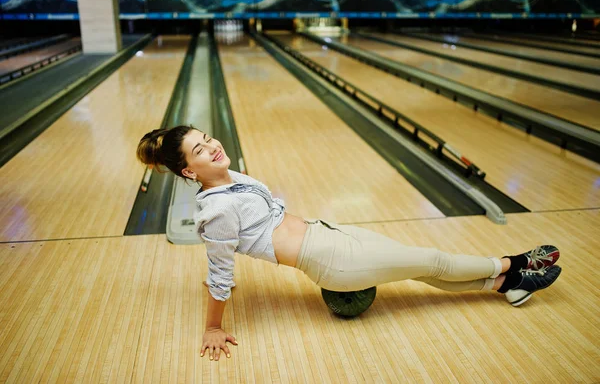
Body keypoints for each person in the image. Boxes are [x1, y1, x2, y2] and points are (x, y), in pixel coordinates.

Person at [136, 125, 561, 362]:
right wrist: (213, 325)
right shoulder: (215, 212)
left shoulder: (232, 175)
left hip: (331, 233)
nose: (211, 146)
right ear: (189, 172)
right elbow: (219, 271)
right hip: (332, 262)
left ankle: (507, 287)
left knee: (421, 266)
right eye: (199, 149)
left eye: (207, 137)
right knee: (430, 259)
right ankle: (513, 262)